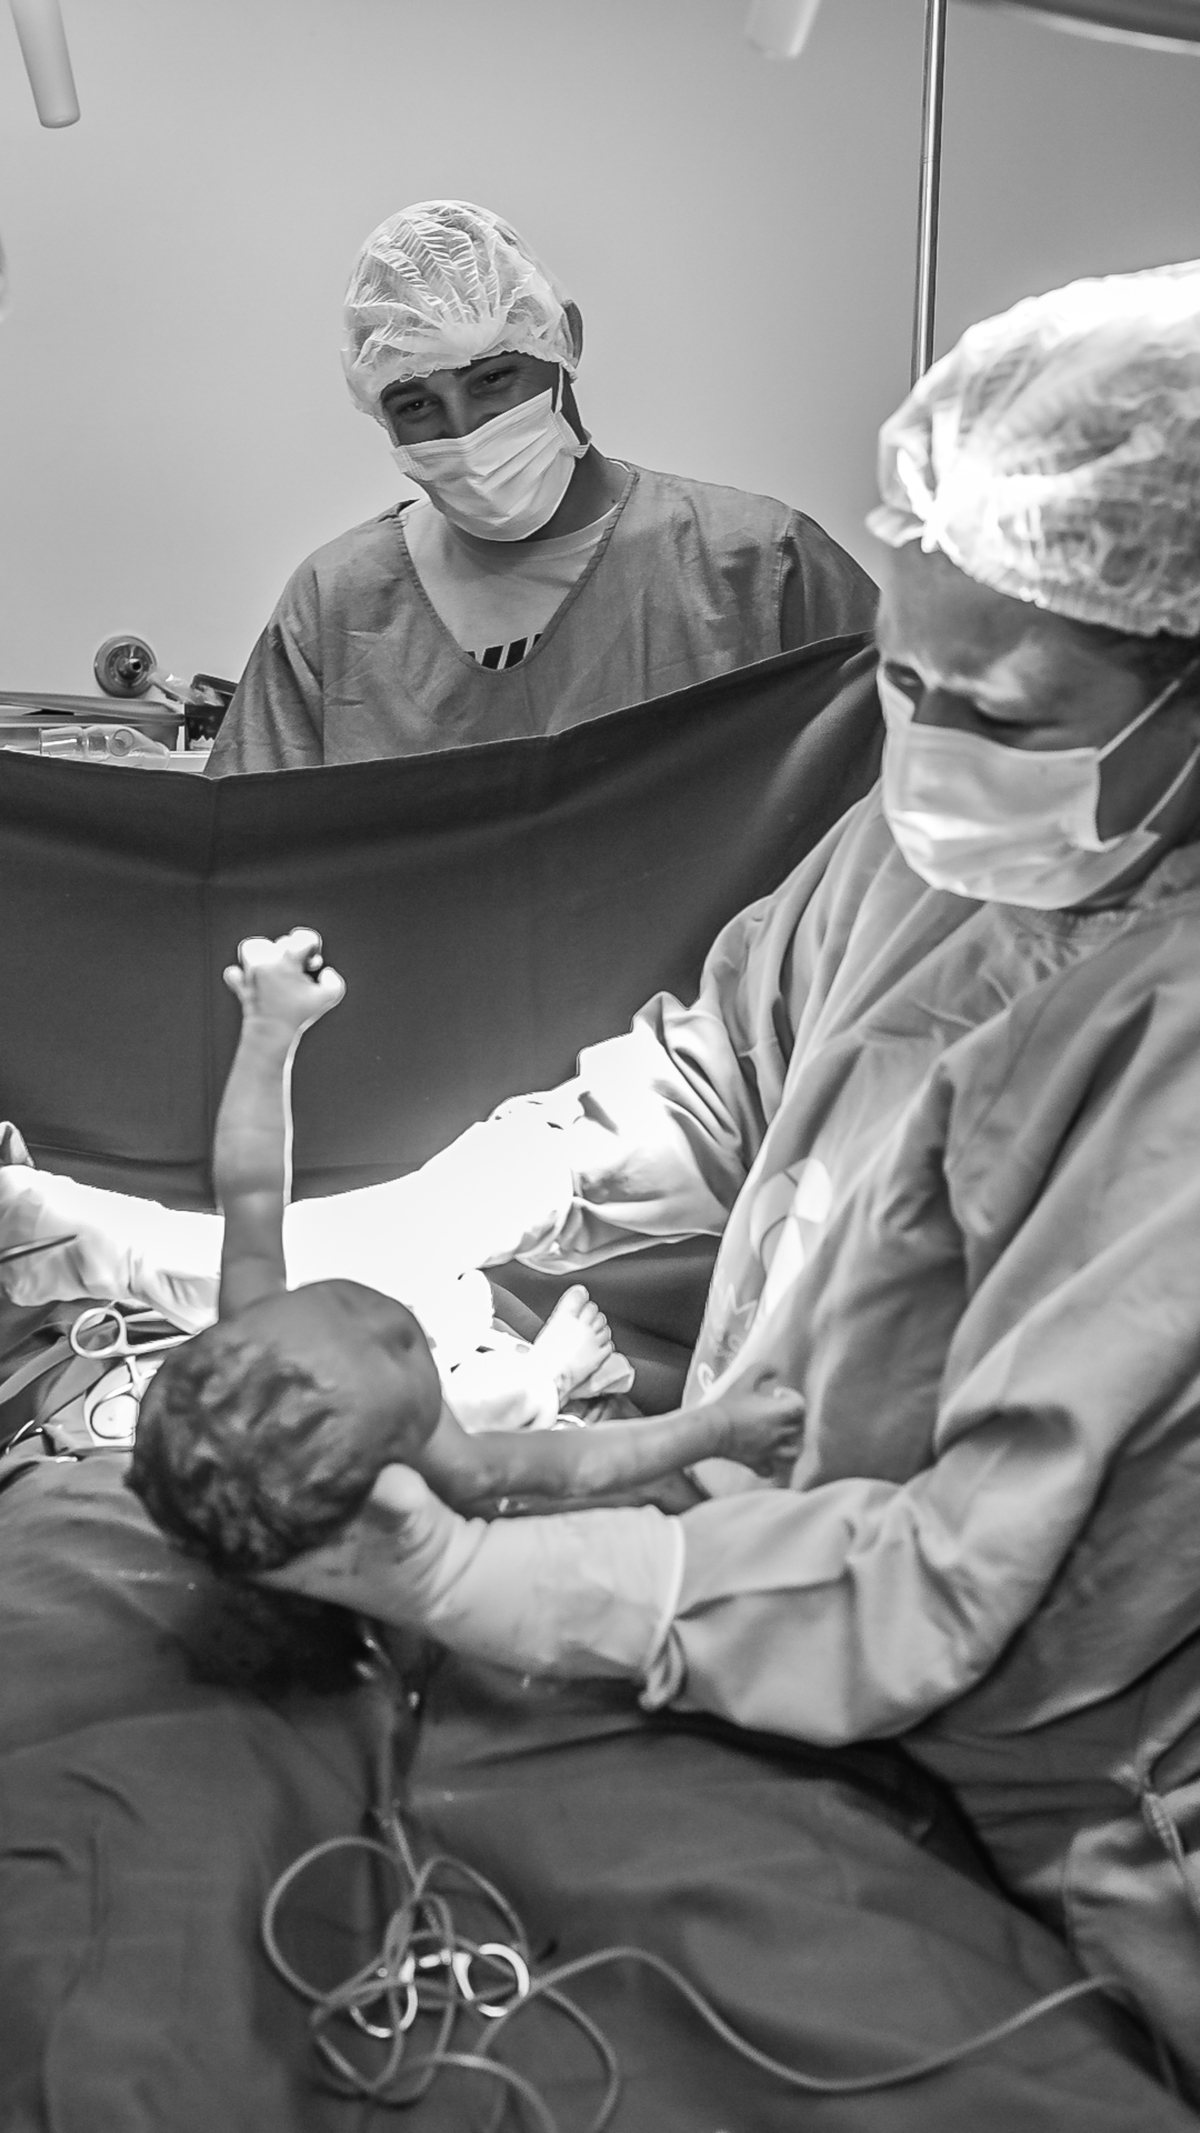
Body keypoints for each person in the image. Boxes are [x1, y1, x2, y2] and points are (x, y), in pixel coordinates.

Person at [5, 257, 1200, 2087]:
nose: (933, 748)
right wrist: (400, 1224)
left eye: (1008, 713)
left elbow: (956, 1576)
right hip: (748, 1631)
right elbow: (704, 1081)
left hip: (1059, 1781)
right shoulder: (931, 846)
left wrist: (493, 1577)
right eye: (900, 679)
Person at [127, 927, 801, 1573]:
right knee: (509, 1401)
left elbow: (249, 1177)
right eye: (399, 1352)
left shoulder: (253, 1311)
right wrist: (716, 1429)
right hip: (462, 1449)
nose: (384, 1316)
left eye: (341, 1307)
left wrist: (269, 1030)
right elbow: (581, 1464)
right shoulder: (439, 1455)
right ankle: (550, 1376)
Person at [206, 199, 877, 771]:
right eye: (416, 405)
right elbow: (247, 845)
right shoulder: (336, 605)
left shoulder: (757, 567)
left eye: (493, 379)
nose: (465, 430)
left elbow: (900, 794)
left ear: (564, 343)